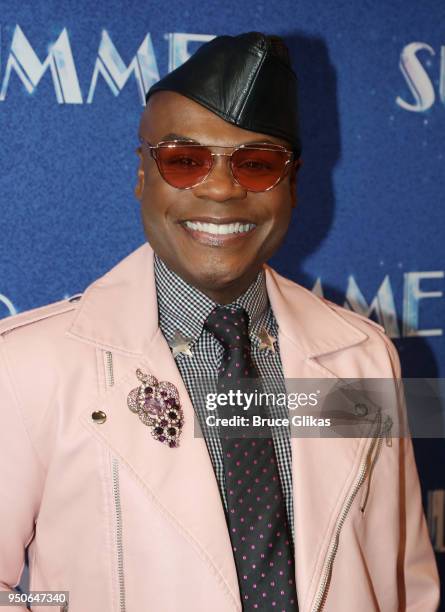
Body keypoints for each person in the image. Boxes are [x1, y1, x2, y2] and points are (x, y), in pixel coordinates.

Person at [0, 32, 439, 612]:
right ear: (142, 176)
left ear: (293, 185)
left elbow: (401, 582)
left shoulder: (362, 356)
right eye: (184, 160)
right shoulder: (29, 368)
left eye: (257, 164)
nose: (222, 188)